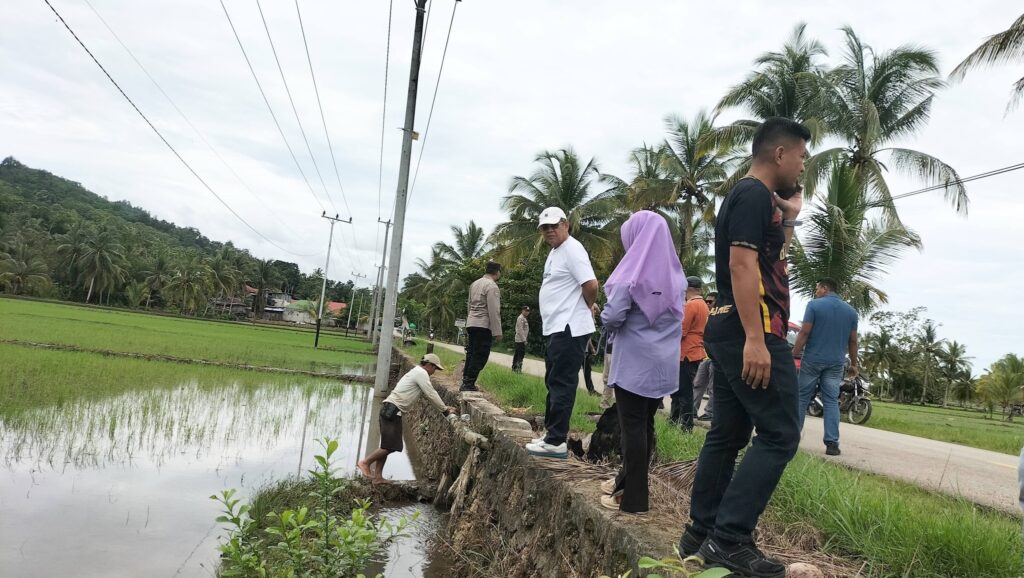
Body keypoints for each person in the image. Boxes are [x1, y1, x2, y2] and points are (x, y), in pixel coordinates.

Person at [681, 117, 810, 578]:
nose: (803, 166)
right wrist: (756, 339)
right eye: (801, 156)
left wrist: (789, 217)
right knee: (780, 434)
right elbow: (742, 266)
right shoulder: (753, 194)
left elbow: (773, 258)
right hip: (750, 329)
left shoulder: (753, 198)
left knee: (729, 432)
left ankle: (700, 533)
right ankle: (730, 539)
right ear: (780, 153)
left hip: (730, 326)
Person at [598, 211, 684, 514]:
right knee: (644, 425)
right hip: (661, 366)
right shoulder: (676, 278)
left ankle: (633, 498)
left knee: (632, 429)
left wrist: (602, 313)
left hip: (634, 364)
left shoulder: (629, 276)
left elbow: (613, 317)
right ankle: (625, 481)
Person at [526, 207, 599, 459]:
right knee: (553, 380)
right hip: (557, 327)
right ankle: (551, 435)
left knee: (562, 383)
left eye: (554, 225)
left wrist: (588, 305)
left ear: (566, 224)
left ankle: (556, 441)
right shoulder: (556, 251)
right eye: (544, 227)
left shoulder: (572, 249)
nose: (549, 231)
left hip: (569, 327)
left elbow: (591, 284)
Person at [358, 353, 455, 484]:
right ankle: (365, 462)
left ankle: (378, 477)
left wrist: (444, 407)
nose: (434, 372)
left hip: (390, 409)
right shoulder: (421, 373)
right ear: (429, 365)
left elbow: (429, 395)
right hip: (392, 411)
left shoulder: (416, 372)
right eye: (435, 368)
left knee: (387, 445)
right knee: (392, 445)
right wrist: (445, 411)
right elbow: (431, 393)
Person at [793, 277, 859, 456]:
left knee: (802, 398)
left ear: (824, 288)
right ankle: (832, 444)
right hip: (836, 363)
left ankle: (792, 438)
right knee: (831, 401)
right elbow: (853, 341)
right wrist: (854, 364)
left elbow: (804, 332)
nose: (816, 292)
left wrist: (793, 353)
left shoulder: (814, 305)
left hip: (812, 360)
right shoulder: (851, 312)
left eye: (817, 288)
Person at [670, 276, 709, 430]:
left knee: (683, 391)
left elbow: (681, 330)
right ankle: (675, 420)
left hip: (686, 352)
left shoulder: (691, 305)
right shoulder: (704, 305)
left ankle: (686, 425)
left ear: (687, 289)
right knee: (683, 390)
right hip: (696, 351)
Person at [462, 261, 503, 391]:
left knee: (471, 353)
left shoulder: (474, 284)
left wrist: (469, 321)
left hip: (472, 322)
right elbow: (494, 310)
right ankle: (469, 383)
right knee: (480, 354)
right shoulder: (492, 286)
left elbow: (469, 305)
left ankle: (466, 380)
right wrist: (497, 332)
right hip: (483, 325)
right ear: (497, 272)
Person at [512, 306, 530, 373]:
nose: (527, 312)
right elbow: (520, 330)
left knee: (517, 354)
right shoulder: (520, 318)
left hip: (521, 339)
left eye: (528, 311)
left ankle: (514, 368)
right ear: (522, 311)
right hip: (520, 340)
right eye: (525, 311)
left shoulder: (524, 318)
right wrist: (524, 340)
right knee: (520, 355)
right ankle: (518, 369)